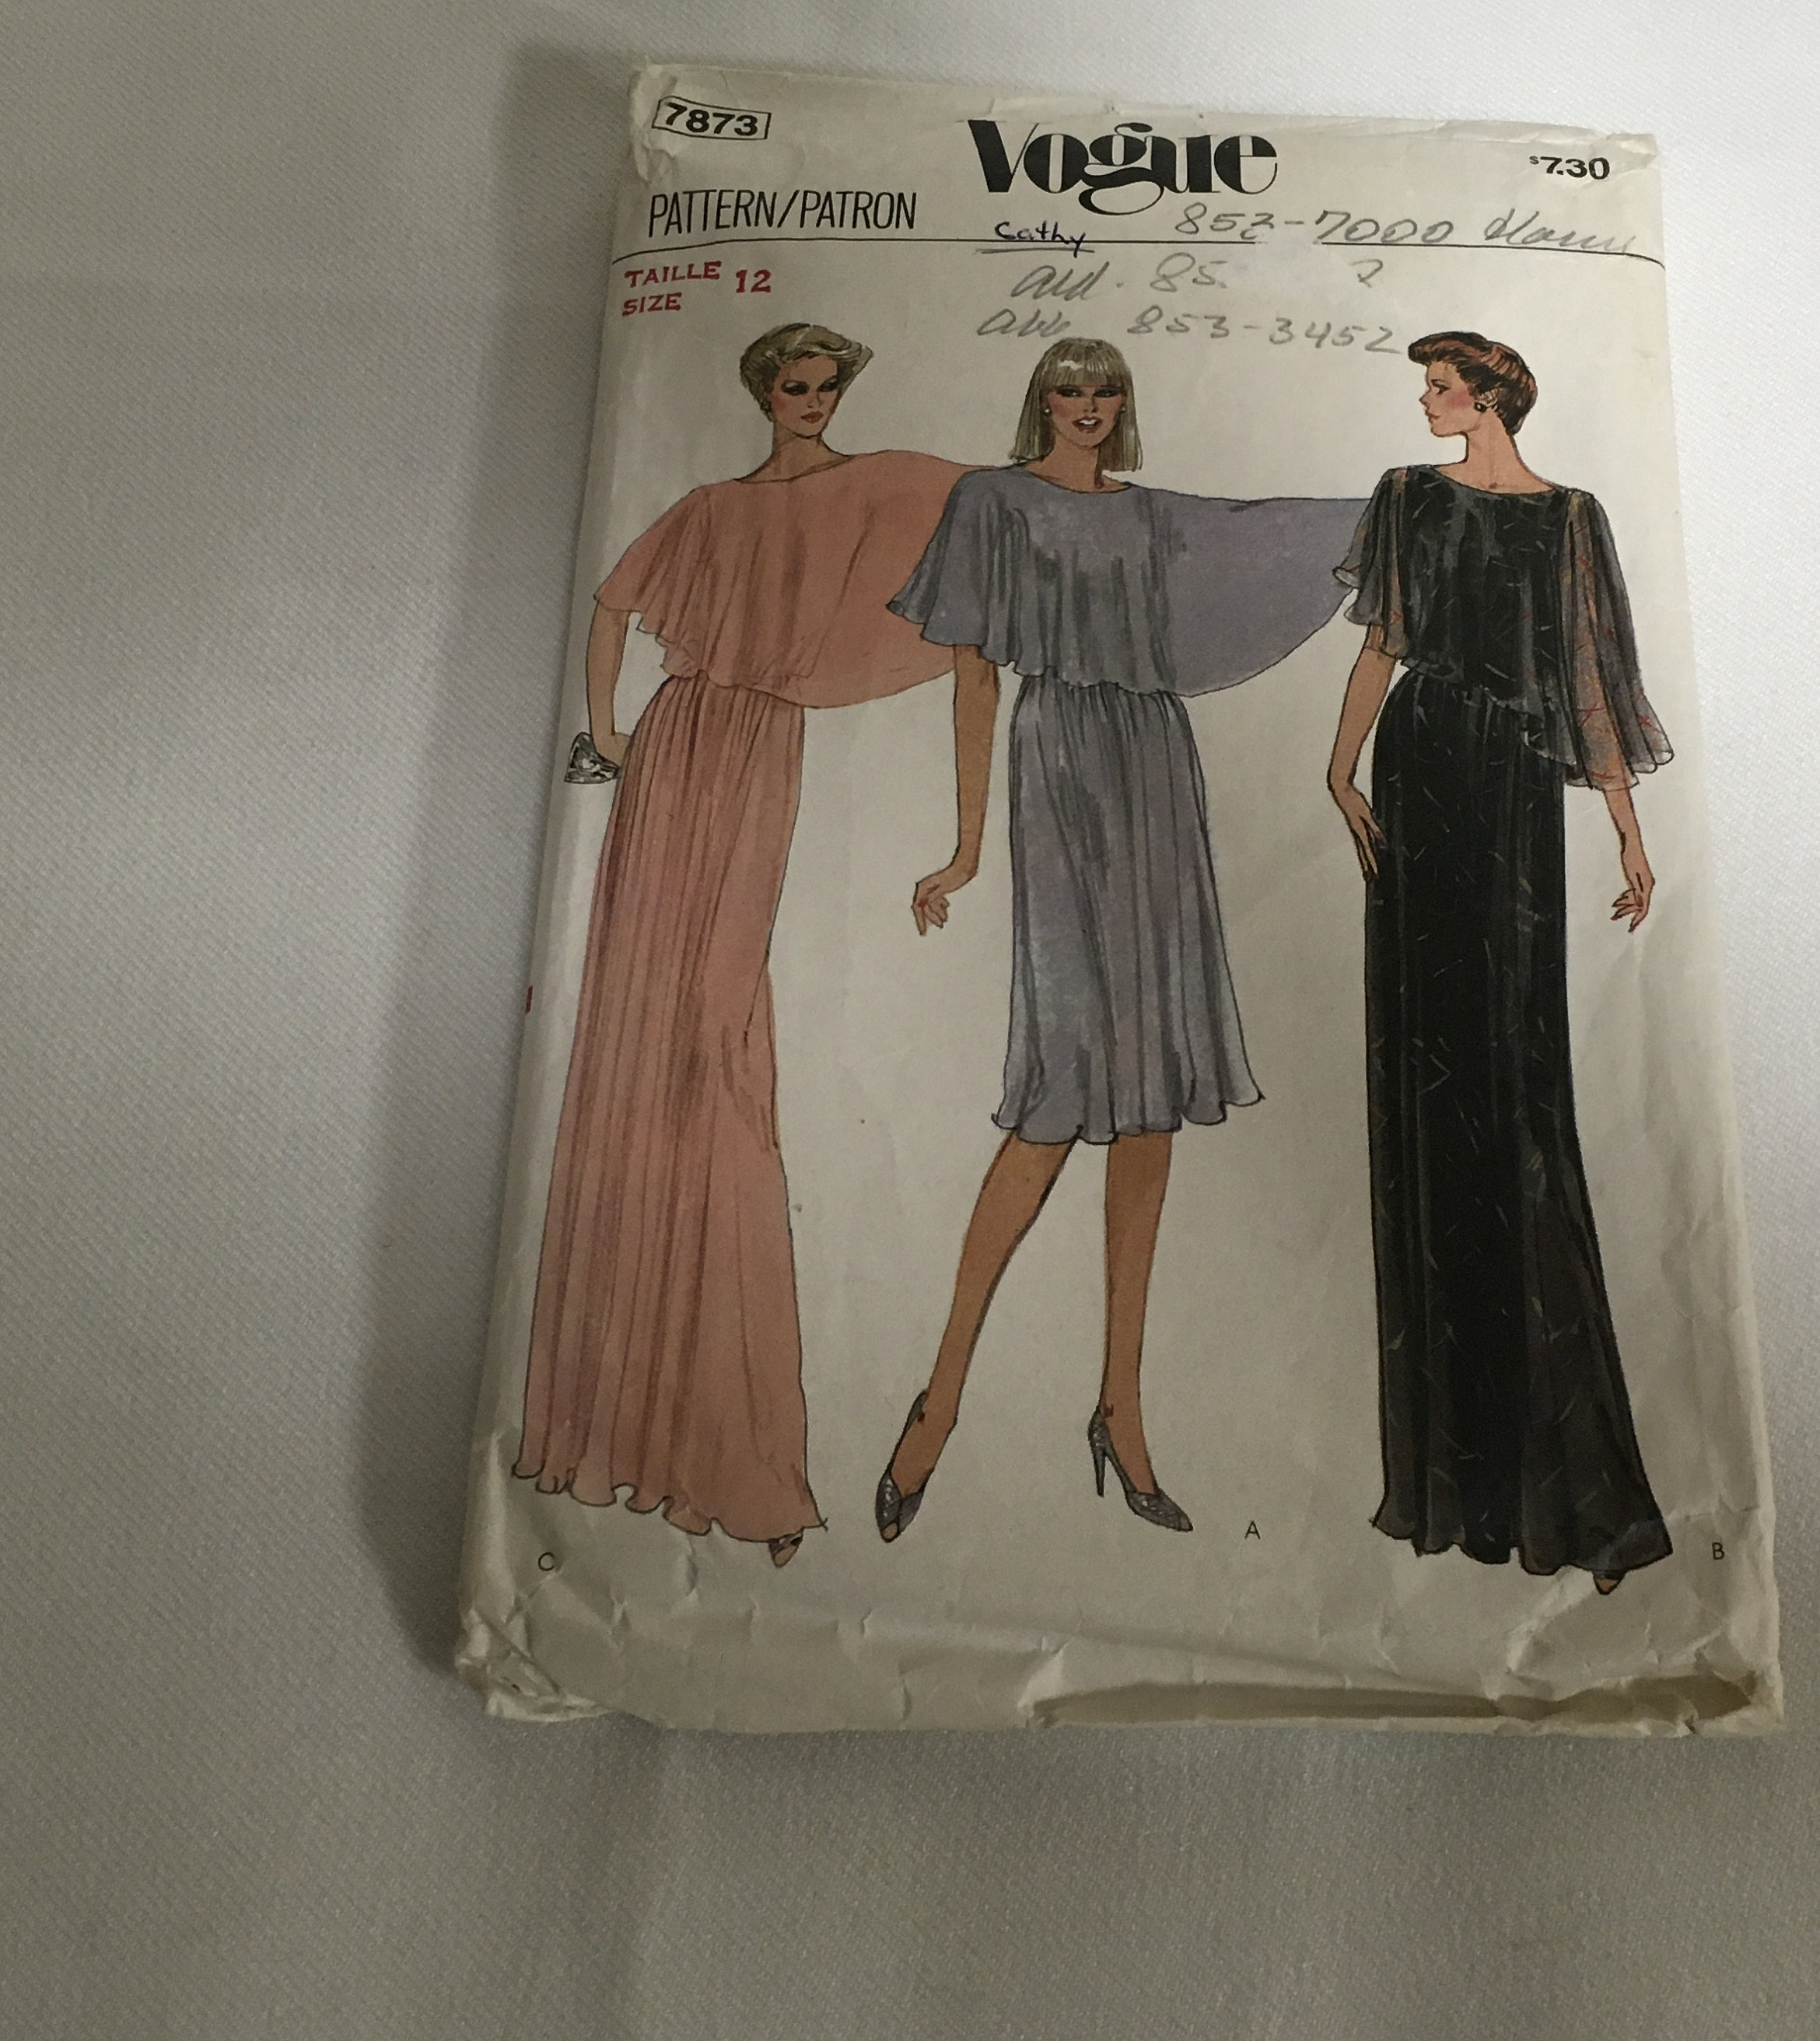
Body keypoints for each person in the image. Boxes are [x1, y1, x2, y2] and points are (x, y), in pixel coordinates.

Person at [876, 338, 1363, 1542]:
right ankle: (939, 1400)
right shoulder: (990, 502)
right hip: (1059, 773)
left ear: (1122, 405)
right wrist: (965, 847)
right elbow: (973, 680)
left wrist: (1419, 497)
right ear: (1039, 399)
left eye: (1105, 393)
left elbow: (1281, 532)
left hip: (1155, 769)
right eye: (1068, 390)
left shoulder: (1152, 518)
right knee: (1055, 1099)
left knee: (1149, 1100)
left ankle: (1121, 1409)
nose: (1087, 408)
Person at [514, 324, 969, 1566]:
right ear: (762, 393)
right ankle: (625, 1428)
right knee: (644, 1024)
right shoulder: (712, 505)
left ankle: (723, 1436)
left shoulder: (865, 488)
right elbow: (612, 605)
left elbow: (971, 522)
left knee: (717, 1036)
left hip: (760, 744)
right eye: (792, 386)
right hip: (677, 746)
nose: (810, 402)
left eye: (825, 386)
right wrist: (608, 734)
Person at [1325, 332, 1675, 1593]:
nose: (1426, 402)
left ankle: (1565, 1484)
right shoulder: (1407, 498)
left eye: (1441, 388)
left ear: (1489, 401)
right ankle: (1457, 1486)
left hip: (1516, 786)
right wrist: (1338, 770)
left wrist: (1628, 829)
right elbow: (1383, 644)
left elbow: (1589, 682)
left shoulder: (1571, 519)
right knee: (1430, 1090)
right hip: (1420, 765)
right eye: (1428, 388)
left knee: (1517, 1088)